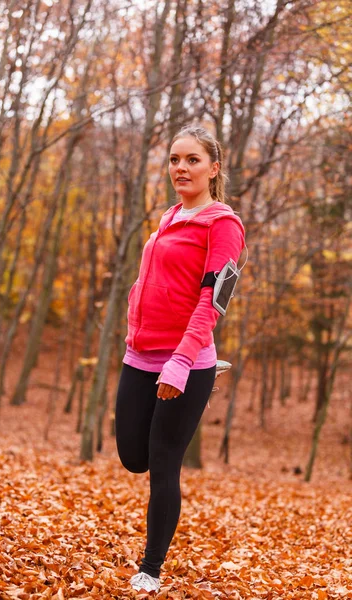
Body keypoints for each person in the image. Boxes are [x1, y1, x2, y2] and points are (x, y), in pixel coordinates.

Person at [115, 125, 246, 593]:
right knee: (133, 457)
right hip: (140, 354)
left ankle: (150, 568)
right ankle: (204, 374)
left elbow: (213, 300)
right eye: (174, 160)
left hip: (183, 359)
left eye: (191, 160)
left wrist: (184, 360)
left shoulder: (223, 225)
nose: (180, 168)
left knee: (163, 461)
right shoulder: (170, 216)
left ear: (213, 168)